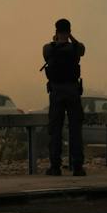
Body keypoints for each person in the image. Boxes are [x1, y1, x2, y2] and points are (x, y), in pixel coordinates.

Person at [41, 18, 87, 176]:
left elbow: (46, 56)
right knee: (75, 130)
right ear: (69, 31)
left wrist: (56, 40)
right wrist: (71, 37)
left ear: (56, 30)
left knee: (55, 131)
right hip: (73, 91)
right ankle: (77, 166)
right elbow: (82, 50)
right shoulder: (75, 48)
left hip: (56, 92)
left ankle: (55, 166)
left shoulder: (48, 48)